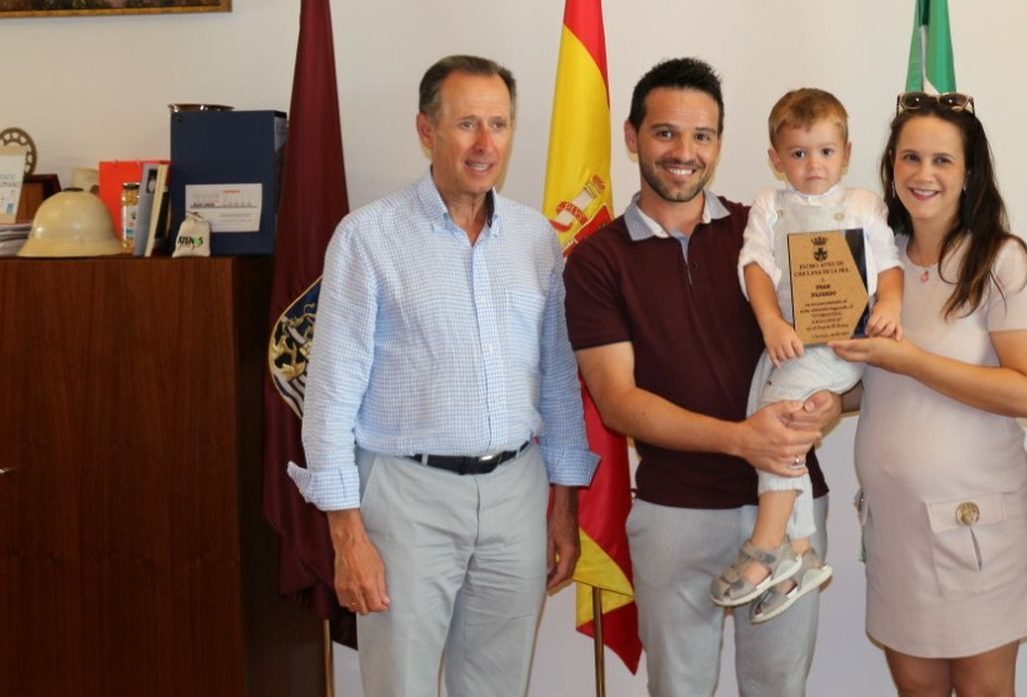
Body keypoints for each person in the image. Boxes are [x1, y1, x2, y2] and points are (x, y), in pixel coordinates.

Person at [288, 54, 598, 696]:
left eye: (499, 124)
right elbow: (330, 396)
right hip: (406, 498)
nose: (485, 144)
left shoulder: (536, 239)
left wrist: (564, 506)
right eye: (466, 124)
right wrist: (347, 535)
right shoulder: (368, 237)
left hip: (516, 495)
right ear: (426, 130)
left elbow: (558, 383)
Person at [563, 57, 844, 697]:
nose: (684, 153)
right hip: (675, 516)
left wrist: (832, 401)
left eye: (702, 136)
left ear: (719, 142)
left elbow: (837, 348)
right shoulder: (597, 261)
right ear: (632, 136)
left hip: (790, 503)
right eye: (665, 133)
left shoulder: (764, 230)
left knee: (780, 690)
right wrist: (741, 440)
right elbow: (618, 402)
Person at [831, 90, 1027, 697]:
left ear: (969, 173)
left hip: (976, 526)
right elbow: (880, 376)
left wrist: (912, 359)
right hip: (895, 525)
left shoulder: (999, 260)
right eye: (910, 157)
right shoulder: (875, 261)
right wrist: (832, 400)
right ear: (891, 166)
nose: (923, 174)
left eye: (942, 160)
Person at [711, 88, 903, 622]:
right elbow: (754, 266)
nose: (813, 164)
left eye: (825, 151)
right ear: (776, 159)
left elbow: (888, 264)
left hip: (842, 342)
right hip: (790, 341)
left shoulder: (863, 204)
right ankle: (801, 553)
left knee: (778, 423)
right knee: (771, 417)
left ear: (846, 153)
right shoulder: (770, 206)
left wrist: (889, 304)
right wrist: (770, 322)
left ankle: (766, 544)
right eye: (798, 153)